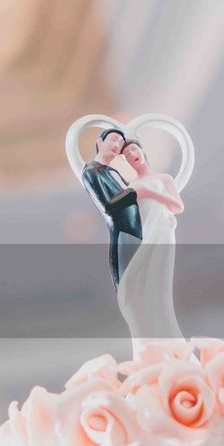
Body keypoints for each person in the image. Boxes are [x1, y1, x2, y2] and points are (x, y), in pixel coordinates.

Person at [115, 137, 184, 346]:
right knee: (140, 282)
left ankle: (171, 339)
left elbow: (178, 206)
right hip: (144, 236)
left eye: (133, 151)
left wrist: (151, 193)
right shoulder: (131, 186)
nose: (132, 157)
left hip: (162, 232)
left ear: (142, 151)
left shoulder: (163, 178)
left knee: (160, 282)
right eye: (126, 157)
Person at [79, 128, 142, 288]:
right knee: (128, 280)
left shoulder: (112, 171)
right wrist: (134, 191)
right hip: (123, 233)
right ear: (99, 142)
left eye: (120, 143)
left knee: (141, 277)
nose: (117, 144)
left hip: (136, 231)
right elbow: (107, 206)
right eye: (113, 139)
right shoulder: (91, 172)